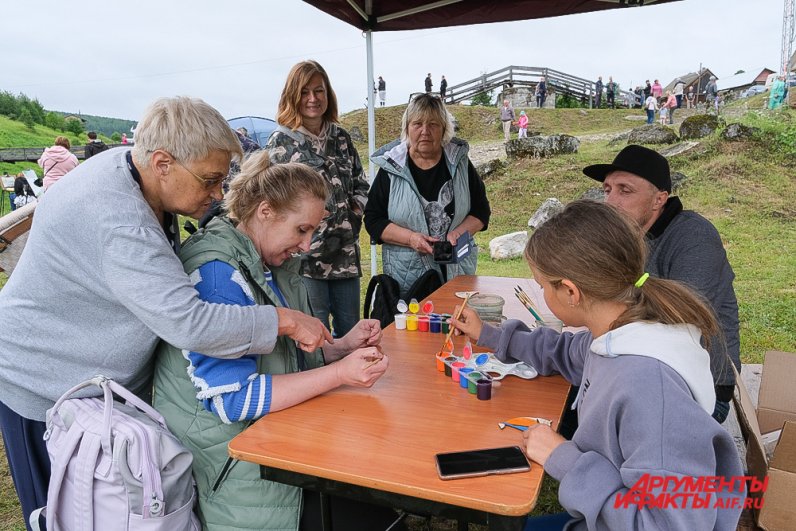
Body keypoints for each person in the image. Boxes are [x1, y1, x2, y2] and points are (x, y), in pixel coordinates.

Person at [0, 96, 332, 529]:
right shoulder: (120, 221)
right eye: (211, 180)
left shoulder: (135, 172)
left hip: (97, 388)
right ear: (162, 163)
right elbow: (190, 323)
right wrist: (285, 320)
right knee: (67, 513)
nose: (218, 194)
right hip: (47, 389)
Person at [451, 200, 745, 530]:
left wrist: (562, 458)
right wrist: (487, 333)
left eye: (542, 284)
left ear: (571, 292)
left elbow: (671, 524)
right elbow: (562, 350)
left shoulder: (650, 387)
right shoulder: (617, 332)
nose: (541, 292)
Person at [153, 153, 398, 531]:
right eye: (301, 230)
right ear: (265, 211)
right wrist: (339, 375)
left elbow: (279, 357)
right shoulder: (218, 275)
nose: (307, 245)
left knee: (375, 501)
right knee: (367, 512)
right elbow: (233, 400)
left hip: (279, 444)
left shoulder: (266, 262)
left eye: (313, 231)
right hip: (239, 472)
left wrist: (340, 348)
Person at [584, 145, 741, 422]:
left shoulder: (694, 236)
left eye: (625, 190)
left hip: (699, 388)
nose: (611, 202)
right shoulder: (628, 236)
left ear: (659, 199)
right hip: (637, 368)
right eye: (608, 190)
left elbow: (684, 314)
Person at [266, 60, 368, 338]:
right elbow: (276, 201)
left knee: (352, 334)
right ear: (293, 96)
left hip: (345, 255)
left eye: (319, 91)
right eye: (304, 92)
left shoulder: (342, 138)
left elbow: (360, 183)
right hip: (306, 260)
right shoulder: (282, 142)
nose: (313, 99)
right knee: (316, 336)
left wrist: (353, 212)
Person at [365, 93, 491, 297]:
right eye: (417, 124)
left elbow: (481, 210)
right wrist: (411, 239)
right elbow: (373, 220)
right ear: (407, 128)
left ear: (444, 129)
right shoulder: (391, 168)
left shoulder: (460, 164)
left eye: (433, 124)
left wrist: (458, 233)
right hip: (407, 277)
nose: (425, 131)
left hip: (457, 270)